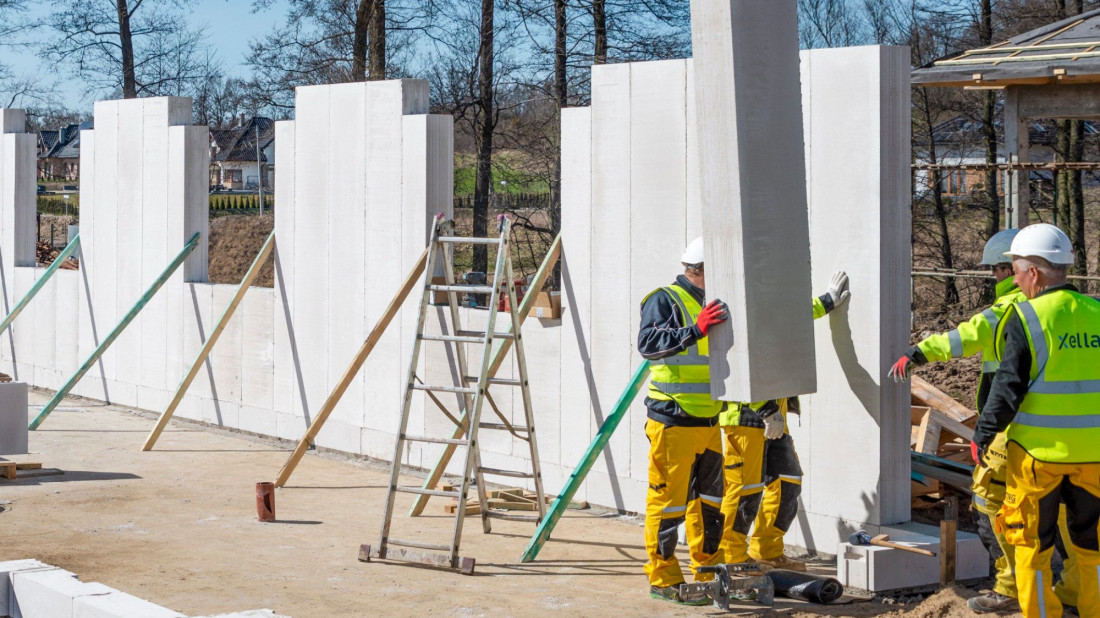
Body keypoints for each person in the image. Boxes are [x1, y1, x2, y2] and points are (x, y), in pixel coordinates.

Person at [888, 229, 1079, 614]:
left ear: (1011, 269)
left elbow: (965, 338)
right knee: (1068, 512)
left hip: (1017, 433)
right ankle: (1077, 590)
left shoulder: (1013, 310)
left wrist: (917, 353)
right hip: (1077, 437)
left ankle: (1011, 587)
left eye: (997, 271)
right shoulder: (1081, 309)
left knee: (992, 503)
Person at [973, 223, 1100, 618]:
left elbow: (1007, 387)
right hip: (1094, 457)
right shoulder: (1097, 312)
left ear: (1033, 272)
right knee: (1091, 547)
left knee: (1031, 547)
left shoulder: (1026, 316)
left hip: (1036, 459)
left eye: (1014, 270)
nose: (1013, 278)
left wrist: (984, 433)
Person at [718, 272, 850, 572]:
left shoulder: (770, 310)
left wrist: (827, 301)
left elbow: (794, 318)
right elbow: (737, 367)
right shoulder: (737, 314)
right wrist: (765, 410)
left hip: (774, 415)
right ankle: (731, 557)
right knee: (744, 491)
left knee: (787, 482)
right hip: (745, 417)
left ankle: (767, 550)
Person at [637, 237, 729, 605]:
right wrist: (695, 329)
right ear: (699, 269)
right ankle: (663, 577)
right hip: (672, 419)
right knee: (669, 502)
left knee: (708, 502)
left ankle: (708, 568)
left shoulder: (713, 301)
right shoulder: (664, 299)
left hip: (708, 419)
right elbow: (648, 344)